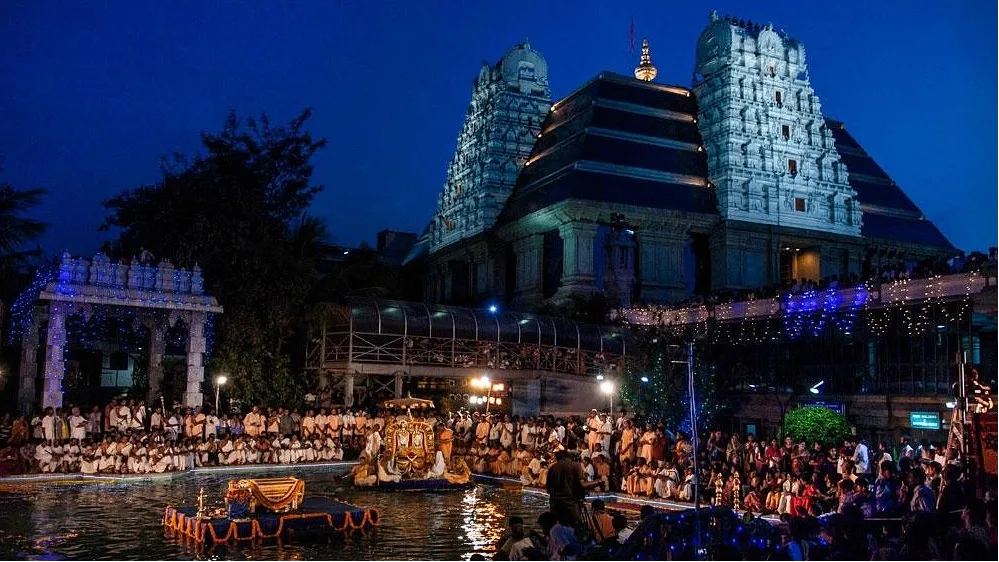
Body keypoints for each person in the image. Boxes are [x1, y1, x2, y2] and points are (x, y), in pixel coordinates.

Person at [546, 450, 601, 528]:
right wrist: (598, 482)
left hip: (556, 504)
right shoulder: (575, 465)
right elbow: (583, 485)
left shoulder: (552, 468)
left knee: (558, 528)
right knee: (577, 528)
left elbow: (548, 489)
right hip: (571, 504)